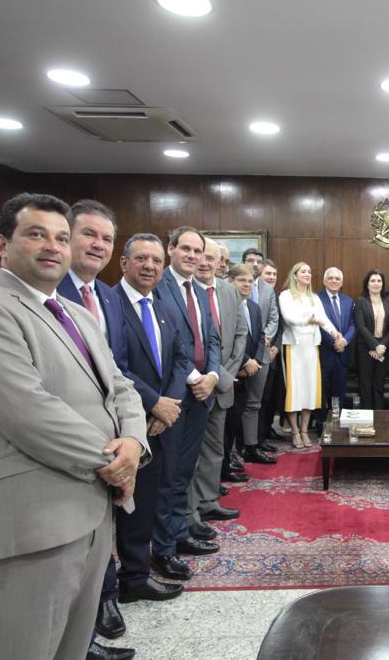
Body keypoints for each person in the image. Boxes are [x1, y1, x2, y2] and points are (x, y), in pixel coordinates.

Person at [0, 193, 147, 660]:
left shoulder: (74, 313)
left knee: (71, 648)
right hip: (27, 525)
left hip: (91, 515)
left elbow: (121, 387)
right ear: (2, 244)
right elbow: (28, 413)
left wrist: (133, 441)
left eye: (61, 238)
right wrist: (115, 462)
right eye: (36, 234)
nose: (52, 247)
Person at [53, 200, 135, 657]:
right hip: (60, 455)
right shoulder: (42, 295)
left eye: (105, 237)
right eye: (87, 234)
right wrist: (110, 453)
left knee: (96, 541)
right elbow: (34, 404)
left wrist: (131, 440)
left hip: (111, 444)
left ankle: (87, 633)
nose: (97, 245)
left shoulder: (100, 298)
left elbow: (117, 375)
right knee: (65, 559)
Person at [111, 234, 189, 609]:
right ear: (123, 263)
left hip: (162, 418)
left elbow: (180, 358)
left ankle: (136, 575)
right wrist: (154, 402)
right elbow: (114, 365)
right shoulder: (109, 304)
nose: (150, 266)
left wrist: (168, 403)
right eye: (141, 259)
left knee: (149, 498)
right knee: (123, 504)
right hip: (125, 422)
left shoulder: (162, 306)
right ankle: (116, 583)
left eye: (156, 261)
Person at [151, 226, 224, 581]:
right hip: (174, 394)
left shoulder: (199, 290)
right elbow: (171, 340)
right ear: (171, 249)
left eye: (198, 251)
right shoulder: (158, 286)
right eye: (186, 250)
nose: (193, 256)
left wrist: (212, 374)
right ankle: (162, 548)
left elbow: (211, 336)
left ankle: (179, 533)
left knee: (184, 470)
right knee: (166, 474)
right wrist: (194, 379)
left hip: (202, 395)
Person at [187, 239, 248, 542]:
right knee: (189, 454)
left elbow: (240, 333)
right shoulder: (183, 292)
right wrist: (212, 375)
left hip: (223, 383)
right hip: (193, 385)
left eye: (212, 258)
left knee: (214, 448)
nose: (206, 263)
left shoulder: (228, 291)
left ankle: (208, 501)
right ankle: (189, 512)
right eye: (201, 256)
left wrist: (226, 375)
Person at [279, 262, 343, 447]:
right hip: (293, 347)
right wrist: (307, 320)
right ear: (295, 275)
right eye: (303, 271)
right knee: (295, 391)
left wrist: (334, 332)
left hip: (311, 348)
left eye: (309, 271)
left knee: (308, 390)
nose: (308, 274)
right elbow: (288, 318)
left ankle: (305, 431)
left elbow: (323, 319)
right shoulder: (286, 295)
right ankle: (295, 431)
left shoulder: (313, 297)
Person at [227, 263, 272, 464]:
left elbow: (261, 335)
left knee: (252, 405)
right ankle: (229, 456)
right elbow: (227, 339)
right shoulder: (225, 305)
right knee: (231, 414)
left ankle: (251, 448)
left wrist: (256, 360)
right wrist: (245, 361)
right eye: (241, 280)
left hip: (255, 364)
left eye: (250, 282)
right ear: (230, 281)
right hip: (234, 369)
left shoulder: (253, 307)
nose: (247, 285)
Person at [242, 248, 280, 449]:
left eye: (258, 261)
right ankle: (234, 448)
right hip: (239, 354)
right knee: (234, 405)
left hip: (262, 352)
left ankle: (252, 445)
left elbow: (274, 318)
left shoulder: (267, 289)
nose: (255, 264)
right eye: (250, 260)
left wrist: (265, 336)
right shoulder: (232, 286)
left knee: (255, 403)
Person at [317, 267, 355, 422]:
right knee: (321, 393)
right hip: (324, 353)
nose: (334, 281)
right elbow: (318, 325)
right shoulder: (316, 298)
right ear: (325, 281)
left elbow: (352, 324)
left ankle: (337, 425)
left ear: (342, 282)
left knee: (339, 393)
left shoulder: (348, 300)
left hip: (342, 354)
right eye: (330, 278)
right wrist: (334, 341)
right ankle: (320, 425)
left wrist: (344, 341)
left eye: (337, 279)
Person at [354, 269, 389, 409]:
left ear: (383, 284)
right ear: (367, 284)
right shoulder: (361, 301)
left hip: (383, 349)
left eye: (379, 281)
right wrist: (374, 346)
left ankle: (379, 417)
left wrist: (381, 346)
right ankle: (366, 418)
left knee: (379, 384)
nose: (376, 283)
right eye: (372, 280)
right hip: (364, 348)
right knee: (365, 384)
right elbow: (361, 326)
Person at [257, 258, 286, 441]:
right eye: (268, 273)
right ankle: (257, 437)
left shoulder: (276, 293)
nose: (271, 277)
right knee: (258, 398)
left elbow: (281, 324)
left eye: (274, 274)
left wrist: (276, 346)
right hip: (259, 352)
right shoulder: (257, 293)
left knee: (270, 397)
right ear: (260, 275)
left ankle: (266, 431)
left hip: (274, 352)